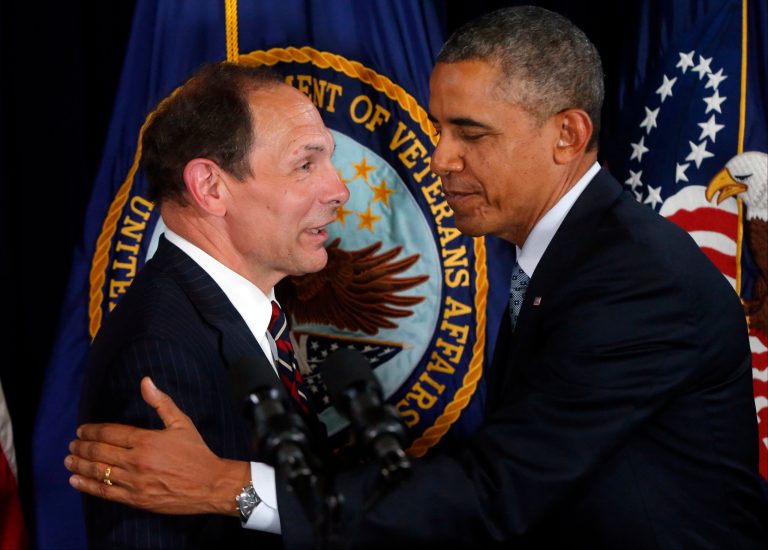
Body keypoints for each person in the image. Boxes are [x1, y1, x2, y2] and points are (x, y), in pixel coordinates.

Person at [66, 6, 768, 547]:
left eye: (471, 134)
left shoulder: (635, 281)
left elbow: (497, 493)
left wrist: (232, 489)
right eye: (437, 129)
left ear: (568, 135)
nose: (438, 159)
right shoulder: (159, 351)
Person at [74, 62, 349, 548]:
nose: (339, 190)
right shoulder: (158, 354)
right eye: (306, 165)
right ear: (211, 187)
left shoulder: (245, 313)